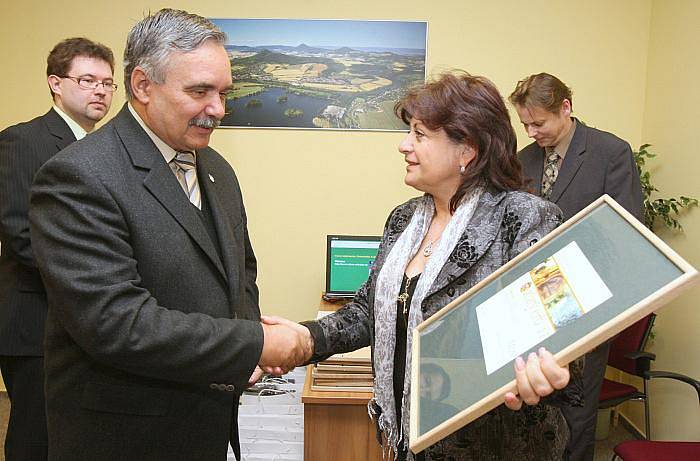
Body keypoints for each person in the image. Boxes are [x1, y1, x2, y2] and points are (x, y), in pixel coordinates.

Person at [28, 9, 309, 461]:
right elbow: (117, 322)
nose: (217, 109)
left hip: (205, 423)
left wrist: (244, 348)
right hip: (124, 435)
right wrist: (253, 342)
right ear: (142, 85)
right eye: (200, 91)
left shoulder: (216, 169)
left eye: (223, 92)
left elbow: (239, 272)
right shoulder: (78, 175)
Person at [267, 71, 583, 460]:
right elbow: (369, 311)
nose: (404, 146)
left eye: (419, 134)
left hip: (497, 446)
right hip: (409, 442)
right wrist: (305, 338)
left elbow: (566, 327)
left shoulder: (524, 217)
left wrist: (549, 368)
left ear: (467, 149)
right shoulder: (403, 220)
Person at [509, 72, 644, 461]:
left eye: (539, 123)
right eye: (526, 124)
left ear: (565, 108)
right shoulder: (523, 161)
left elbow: (626, 229)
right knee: (533, 403)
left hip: (587, 297)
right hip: (531, 299)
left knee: (577, 406)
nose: (533, 132)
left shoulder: (610, 151)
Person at [0, 37, 115, 461]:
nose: (100, 90)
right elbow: (19, 234)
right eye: (87, 80)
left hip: (81, 324)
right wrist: (98, 282)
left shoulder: (100, 150)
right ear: (55, 83)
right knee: (36, 440)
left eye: (107, 82)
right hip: (34, 324)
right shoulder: (23, 140)